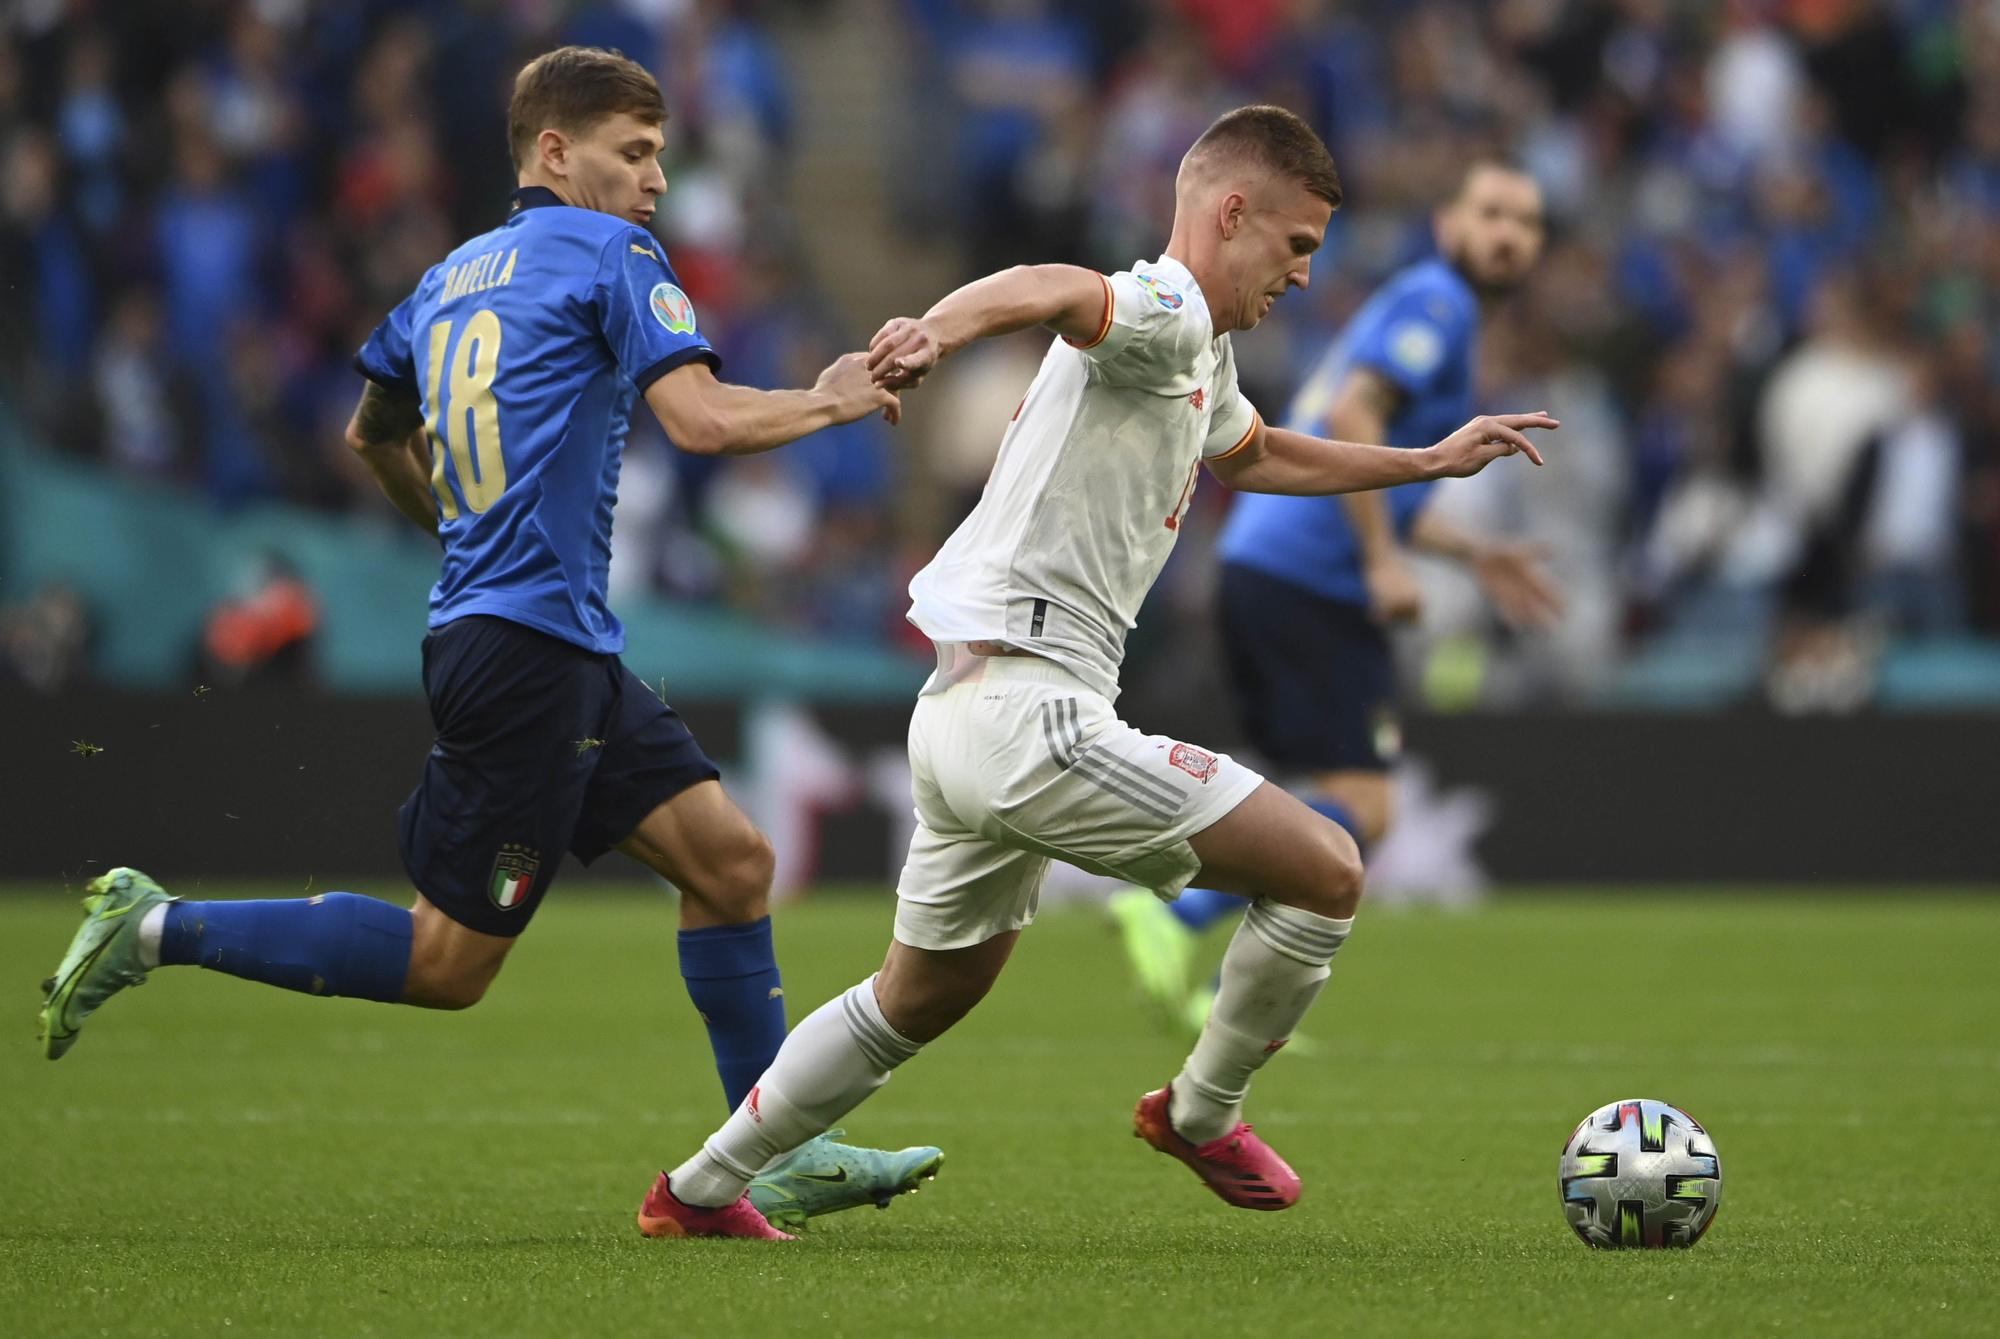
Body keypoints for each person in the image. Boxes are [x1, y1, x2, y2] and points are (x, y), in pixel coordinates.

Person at [37, 46, 940, 1236]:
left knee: (729, 865)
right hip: (526, 656)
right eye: (634, 153)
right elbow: (704, 420)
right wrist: (829, 397)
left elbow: (369, 434)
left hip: (536, 637)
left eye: (661, 157)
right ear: (555, 152)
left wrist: (461, 528)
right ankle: (154, 925)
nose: (656, 181)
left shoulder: (448, 277)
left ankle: (777, 1151)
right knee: (446, 963)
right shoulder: (612, 253)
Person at [634, 105, 1559, 1240]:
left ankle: (696, 1191)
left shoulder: (1200, 356)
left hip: (964, 713)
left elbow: (1257, 453)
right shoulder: (1165, 308)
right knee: (1324, 867)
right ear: (1230, 213)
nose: (1303, 277)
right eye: (1296, 245)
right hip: (1032, 712)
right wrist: (933, 328)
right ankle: (1199, 1109)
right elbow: (1048, 286)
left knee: (919, 993)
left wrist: (1421, 458)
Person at [1111, 161, 1564, 1030]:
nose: (1509, 234)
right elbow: (1354, 416)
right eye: (1492, 212)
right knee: (1363, 807)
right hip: (1309, 579)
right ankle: (1178, 916)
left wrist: (1470, 552)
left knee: (1337, 806)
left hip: (1272, 562)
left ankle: (1223, 997)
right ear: (1449, 224)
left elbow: (1372, 468)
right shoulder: (1439, 302)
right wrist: (1386, 562)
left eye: (1527, 222)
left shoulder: (1426, 306)